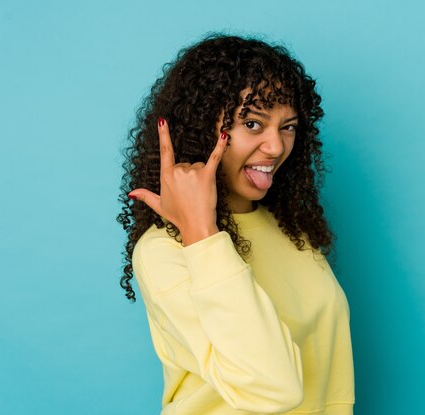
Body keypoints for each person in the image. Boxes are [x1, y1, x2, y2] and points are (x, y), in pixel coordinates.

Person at [116, 33, 355, 415]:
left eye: (288, 126)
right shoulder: (164, 250)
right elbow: (274, 389)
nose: (276, 147)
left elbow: (331, 381)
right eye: (253, 124)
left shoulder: (290, 231)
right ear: (199, 127)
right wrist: (201, 233)